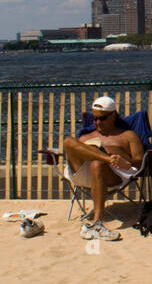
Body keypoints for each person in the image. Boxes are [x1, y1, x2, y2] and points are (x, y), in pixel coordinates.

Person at [59, 96, 144, 241]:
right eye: (94, 118)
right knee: (68, 141)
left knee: (97, 164)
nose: (97, 122)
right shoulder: (86, 136)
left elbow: (140, 160)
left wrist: (125, 161)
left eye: (102, 118)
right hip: (83, 174)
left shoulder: (127, 135)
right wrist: (106, 157)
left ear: (113, 115)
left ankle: (97, 223)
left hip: (113, 174)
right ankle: (106, 158)